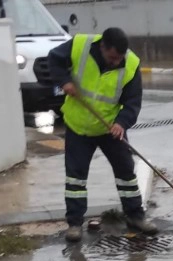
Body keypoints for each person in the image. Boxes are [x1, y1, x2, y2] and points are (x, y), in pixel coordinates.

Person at [48, 27, 158, 242]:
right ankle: (75, 224)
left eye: (119, 58)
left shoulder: (131, 65)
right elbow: (54, 59)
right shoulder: (79, 45)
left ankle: (136, 217)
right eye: (112, 57)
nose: (116, 62)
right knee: (75, 178)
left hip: (109, 128)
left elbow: (132, 102)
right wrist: (64, 81)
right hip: (78, 126)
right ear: (102, 47)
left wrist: (121, 123)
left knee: (126, 172)